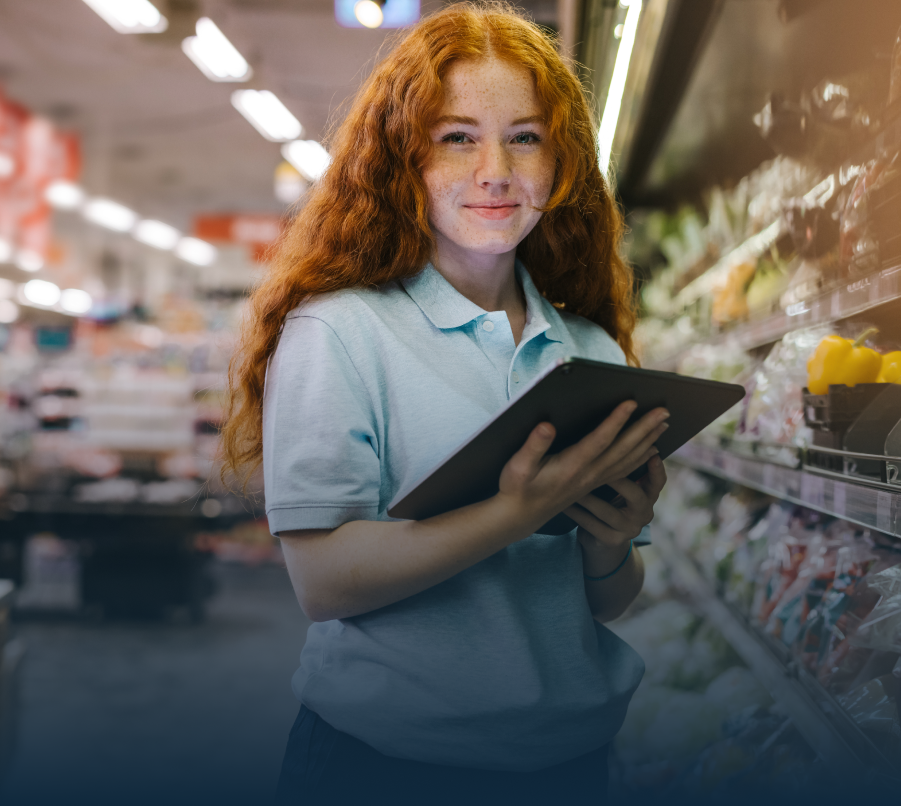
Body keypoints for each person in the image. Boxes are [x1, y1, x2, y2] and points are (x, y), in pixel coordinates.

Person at [219, 4, 669, 803]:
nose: (495, 168)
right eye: (456, 136)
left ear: (561, 163)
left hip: (569, 764)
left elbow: (606, 600)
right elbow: (324, 582)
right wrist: (523, 508)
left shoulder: (591, 352)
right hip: (384, 764)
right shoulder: (341, 332)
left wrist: (609, 539)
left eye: (525, 137)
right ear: (404, 159)